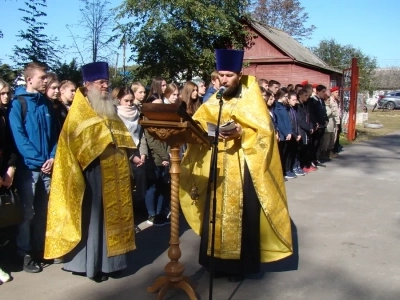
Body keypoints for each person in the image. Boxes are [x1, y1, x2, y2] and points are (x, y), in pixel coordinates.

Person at [179, 49, 292, 282]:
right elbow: (199, 122)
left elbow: (265, 132)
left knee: (242, 217)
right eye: (221, 75)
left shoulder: (251, 97)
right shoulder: (216, 98)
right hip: (219, 166)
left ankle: (238, 267)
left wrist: (242, 132)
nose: (224, 79)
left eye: (229, 75)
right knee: (215, 215)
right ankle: (216, 263)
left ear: (239, 75)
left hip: (243, 167)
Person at [44, 62, 137, 282]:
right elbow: (72, 142)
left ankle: (113, 263)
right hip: (93, 172)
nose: (105, 86)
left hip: (116, 171)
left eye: (107, 81)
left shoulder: (109, 108)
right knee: (95, 218)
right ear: (87, 85)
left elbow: (120, 136)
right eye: (100, 82)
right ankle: (93, 265)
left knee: (113, 219)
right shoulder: (79, 111)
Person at [8, 62, 58, 273]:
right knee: (28, 213)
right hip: (29, 169)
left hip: (47, 167)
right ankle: (24, 252)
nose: (46, 81)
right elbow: (19, 138)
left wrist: (53, 157)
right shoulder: (18, 104)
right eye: (42, 78)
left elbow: (55, 135)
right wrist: (40, 161)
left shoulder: (45, 104)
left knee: (43, 212)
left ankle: (39, 248)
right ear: (30, 79)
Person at [114, 86, 148, 209]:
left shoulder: (137, 113)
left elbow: (142, 134)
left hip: (138, 152)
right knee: (125, 188)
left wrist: (143, 153)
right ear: (119, 99)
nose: (129, 104)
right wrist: (132, 156)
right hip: (123, 155)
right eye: (126, 101)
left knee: (140, 184)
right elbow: (117, 139)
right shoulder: (115, 115)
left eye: (131, 101)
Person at [0, 80, 18, 284]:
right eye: (2, 93)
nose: (6, 97)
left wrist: (10, 169)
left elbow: (11, 145)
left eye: (7, 93)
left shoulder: (5, 115)